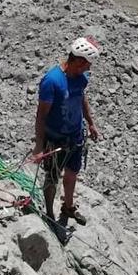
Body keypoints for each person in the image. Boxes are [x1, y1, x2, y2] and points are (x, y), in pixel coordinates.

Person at [35, 35, 102, 225]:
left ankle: (68, 206)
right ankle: (49, 214)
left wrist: (90, 122)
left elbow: (81, 98)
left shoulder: (80, 78)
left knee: (72, 173)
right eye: (88, 64)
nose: (89, 68)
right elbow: (41, 115)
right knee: (52, 176)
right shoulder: (52, 81)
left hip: (74, 135)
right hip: (55, 138)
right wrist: (39, 145)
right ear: (79, 61)